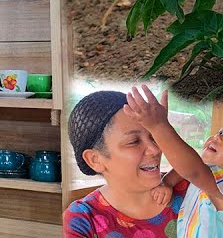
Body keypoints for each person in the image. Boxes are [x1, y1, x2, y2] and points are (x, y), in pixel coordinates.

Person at [123, 85, 223, 238]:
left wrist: (158, 126)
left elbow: (193, 169)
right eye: (221, 131)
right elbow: (191, 166)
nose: (218, 137)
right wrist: (167, 183)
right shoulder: (208, 175)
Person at [64, 90, 189, 238]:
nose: (155, 149)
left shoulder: (189, 188)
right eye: (134, 142)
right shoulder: (83, 220)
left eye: (153, 136)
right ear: (95, 160)